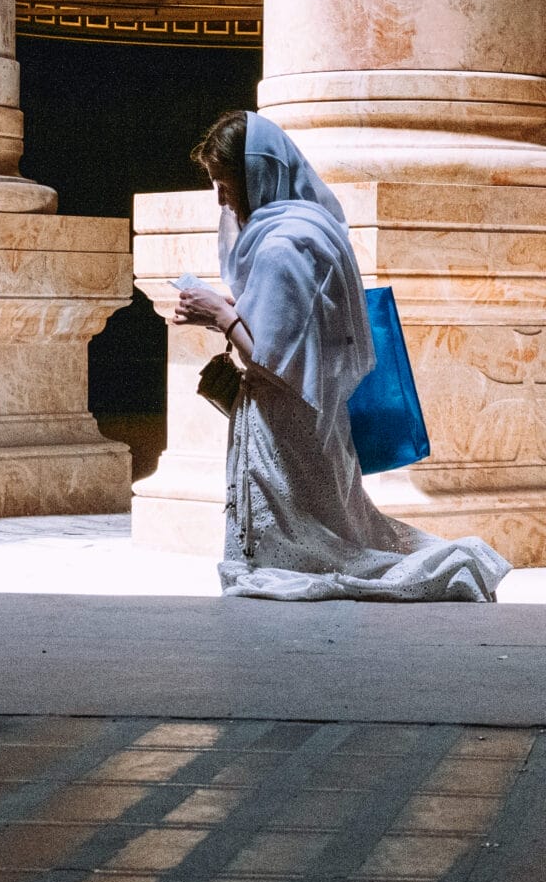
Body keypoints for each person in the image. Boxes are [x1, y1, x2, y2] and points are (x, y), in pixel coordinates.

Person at [174, 110, 509, 601]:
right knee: (332, 527)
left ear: (255, 179)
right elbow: (291, 327)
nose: (221, 200)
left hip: (286, 423)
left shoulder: (281, 246)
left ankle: (454, 565)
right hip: (317, 418)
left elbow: (271, 362)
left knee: (321, 547)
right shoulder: (309, 229)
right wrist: (227, 309)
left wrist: (222, 317)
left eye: (225, 185)